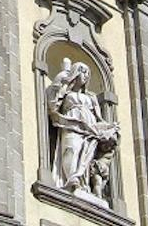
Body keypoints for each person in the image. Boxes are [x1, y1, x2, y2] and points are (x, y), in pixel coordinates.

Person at [47, 58, 119, 200]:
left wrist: (109, 128)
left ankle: (82, 185)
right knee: (70, 149)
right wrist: (63, 81)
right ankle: (71, 180)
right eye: (83, 72)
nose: (86, 76)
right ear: (75, 73)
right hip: (70, 124)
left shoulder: (91, 97)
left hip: (89, 129)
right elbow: (53, 105)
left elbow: (99, 118)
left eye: (88, 73)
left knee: (85, 156)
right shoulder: (66, 92)